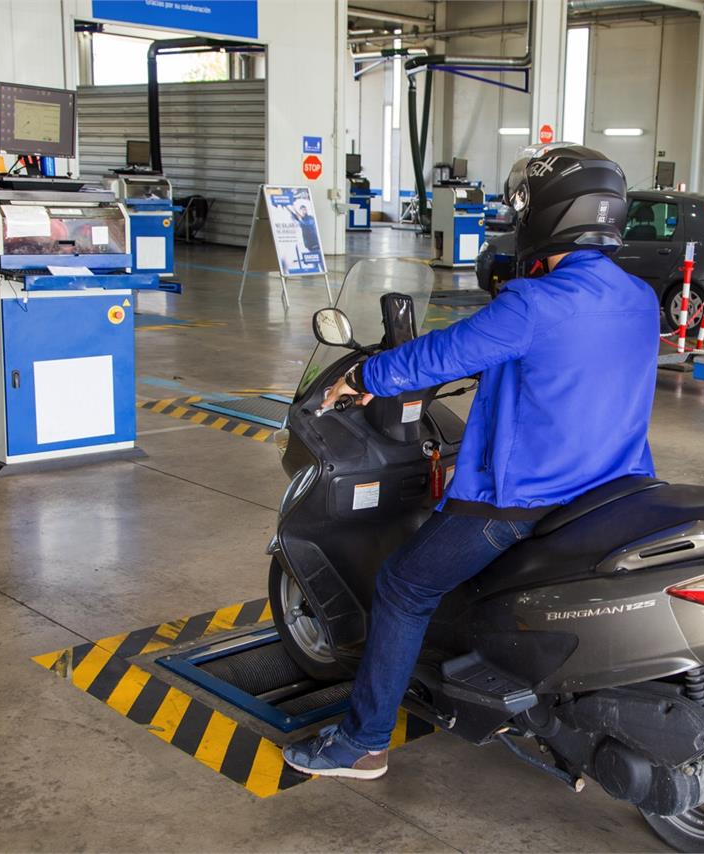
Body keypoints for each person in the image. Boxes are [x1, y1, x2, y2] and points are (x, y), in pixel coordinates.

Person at [282, 145, 660, 779]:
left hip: (523, 499)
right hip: (615, 488)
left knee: (404, 586)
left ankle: (365, 740)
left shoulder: (534, 304)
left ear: (549, 216)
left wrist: (363, 377)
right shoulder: (640, 298)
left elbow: (442, 355)